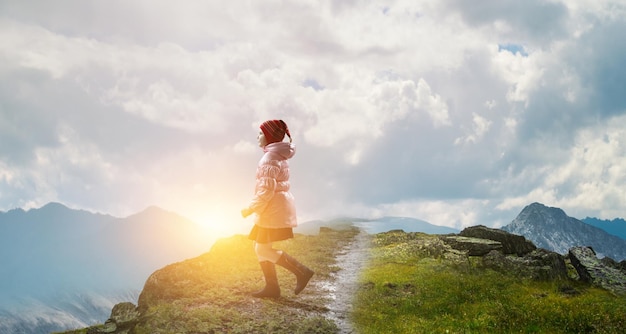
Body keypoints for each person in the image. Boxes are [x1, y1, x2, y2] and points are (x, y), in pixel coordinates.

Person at [241, 119, 314, 298]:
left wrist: (250, 208)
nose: (257, 137)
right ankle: (272, 288)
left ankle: (302, 272)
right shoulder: (278, 155)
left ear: (268, 137)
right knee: (260, 247)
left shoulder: (270, 158)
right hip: (275, 207)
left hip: (271, 208)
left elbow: (266, 189)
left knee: (262, 249)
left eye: (260, 133)